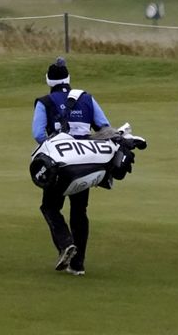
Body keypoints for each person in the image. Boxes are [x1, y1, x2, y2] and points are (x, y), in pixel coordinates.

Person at [32, 57, 110, 276]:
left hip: (59, 165)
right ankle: (78, 265)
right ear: (68, 78)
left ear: (49, 81)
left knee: (50, 206)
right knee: (79, 210)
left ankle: (65, 244)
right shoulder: (86, 98)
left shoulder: (44, 102)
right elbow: (104, 127)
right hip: (84, 163)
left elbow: (38, 134)